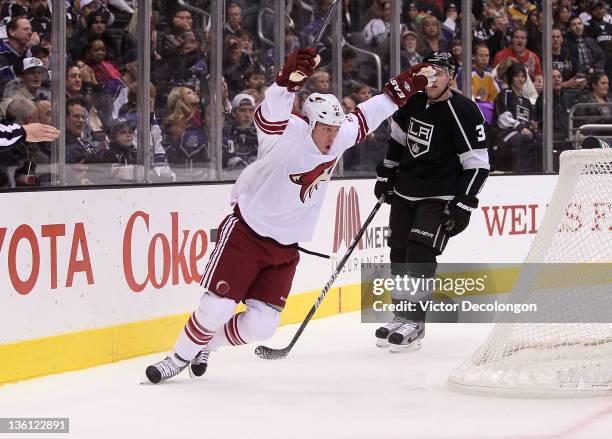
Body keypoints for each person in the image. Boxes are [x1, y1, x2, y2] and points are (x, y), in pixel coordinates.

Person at [145, 47, 437, 383]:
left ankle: (207, 344)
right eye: (325, 128)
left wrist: (400, 90)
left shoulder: (338, 135)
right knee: (217, 307)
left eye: (334, 128)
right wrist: (287, 83)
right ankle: (176, 358)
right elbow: (269, 114)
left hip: (285, 249)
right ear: (310, 122)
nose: (331, 135)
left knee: (262, 326)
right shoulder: (284, 133)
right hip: (247, 233)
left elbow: (368, 114)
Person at [373, 52, 489, 351]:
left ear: (452, 75)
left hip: (440, 195)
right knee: (398, 253)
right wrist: (387, 174)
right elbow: (398, 141)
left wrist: (464, 203)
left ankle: (416, 321)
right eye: (428, 72)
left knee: (419, 254)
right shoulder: (412, 101)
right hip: (405, 191)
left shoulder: (464, 110)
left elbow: (478, 164)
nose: (432, 79)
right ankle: (401, 314)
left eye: (439, 73)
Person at [492, 62, 538, 172]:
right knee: (525, 137)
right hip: (504, 134)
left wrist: (532, 125)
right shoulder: (505, 94)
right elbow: (502, 119)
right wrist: (520, 126)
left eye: (523, 76)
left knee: (541, 138)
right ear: (511, 77)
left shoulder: (527, 100)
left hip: (523, 132)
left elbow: (530, 120)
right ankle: (518, 172)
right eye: (517, 76)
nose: (520, 79)